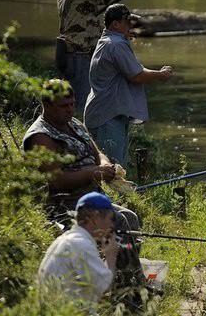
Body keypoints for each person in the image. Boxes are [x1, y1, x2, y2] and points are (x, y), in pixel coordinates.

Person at [23, 79, 145, 290]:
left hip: (92, 198)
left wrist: (106, 166)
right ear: (47, 105)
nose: (70, 110)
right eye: (64, 106)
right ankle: (128, 289)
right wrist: (92, 173)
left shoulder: (74, 124)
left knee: (131, 218)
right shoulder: (40, 137)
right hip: (64, 205)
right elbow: (56, 181)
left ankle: (125, 277)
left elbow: (97, 152)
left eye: (72, 104)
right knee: (119, 222)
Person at [57, 0, 160, 112]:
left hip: (70, 52)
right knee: (81, 103)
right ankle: (82, 133)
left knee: (79, 100)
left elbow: (90, 17)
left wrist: (120, 32)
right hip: (78, 54)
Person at [84, 3, 173, 167]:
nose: (131, 25)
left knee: (114, 169)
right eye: (127, 22)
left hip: (106, 114)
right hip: (107, 117)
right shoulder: (117, 45)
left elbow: (135, 70)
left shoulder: (109, 40)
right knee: (112, 171)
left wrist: (124, 37)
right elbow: (137, 76)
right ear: (115, 24)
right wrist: (159, 75)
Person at [38, 192, 119, 304]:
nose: (112, 225)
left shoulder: (65, 239)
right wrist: (110, 255)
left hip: (54, 313)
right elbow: (104, 289)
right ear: (95, 217)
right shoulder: (82, 245)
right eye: (110, 219)